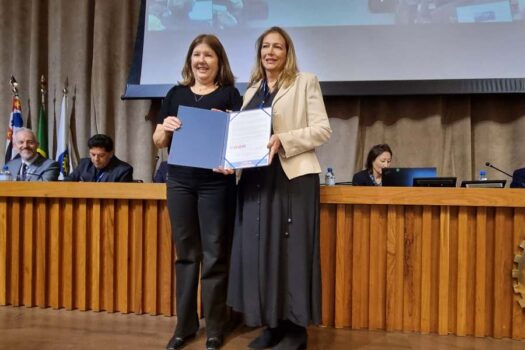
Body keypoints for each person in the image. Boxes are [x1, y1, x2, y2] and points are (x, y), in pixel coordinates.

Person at [224, 26, 332, 350]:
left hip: (292, 178)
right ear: (259, 53)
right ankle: (271, 325)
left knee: (293, 255)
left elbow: (323, 130)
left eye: (278, 47)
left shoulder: (305, 82)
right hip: (256, 181)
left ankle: (296, 331)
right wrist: (229, 155)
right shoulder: (252, 90)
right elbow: (244, 137)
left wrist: (284, 139)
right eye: (265, 47)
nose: (270, 52)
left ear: (288, 52)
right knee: (260, 255)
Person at [152, 34, 242, 350]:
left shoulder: (231, 95)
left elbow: (239, 145)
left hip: (216, 184)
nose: (201, 60)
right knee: (186, 255)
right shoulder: (175, 94)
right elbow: (159, 141)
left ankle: (215, 327)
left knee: (216, 255)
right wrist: (166, 127)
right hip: (179, 181)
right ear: (190, 60)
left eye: (208, 55)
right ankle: (184, 326)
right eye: (196, 54)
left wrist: (230, 124)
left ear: (219, 62)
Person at [64, 134, 133, 182]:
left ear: (111, 154)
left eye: (101, 155)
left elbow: (122, 195)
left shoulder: (123, 170)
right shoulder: (84, 164)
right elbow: (66, 183)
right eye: (93, 154)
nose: (96, 159)